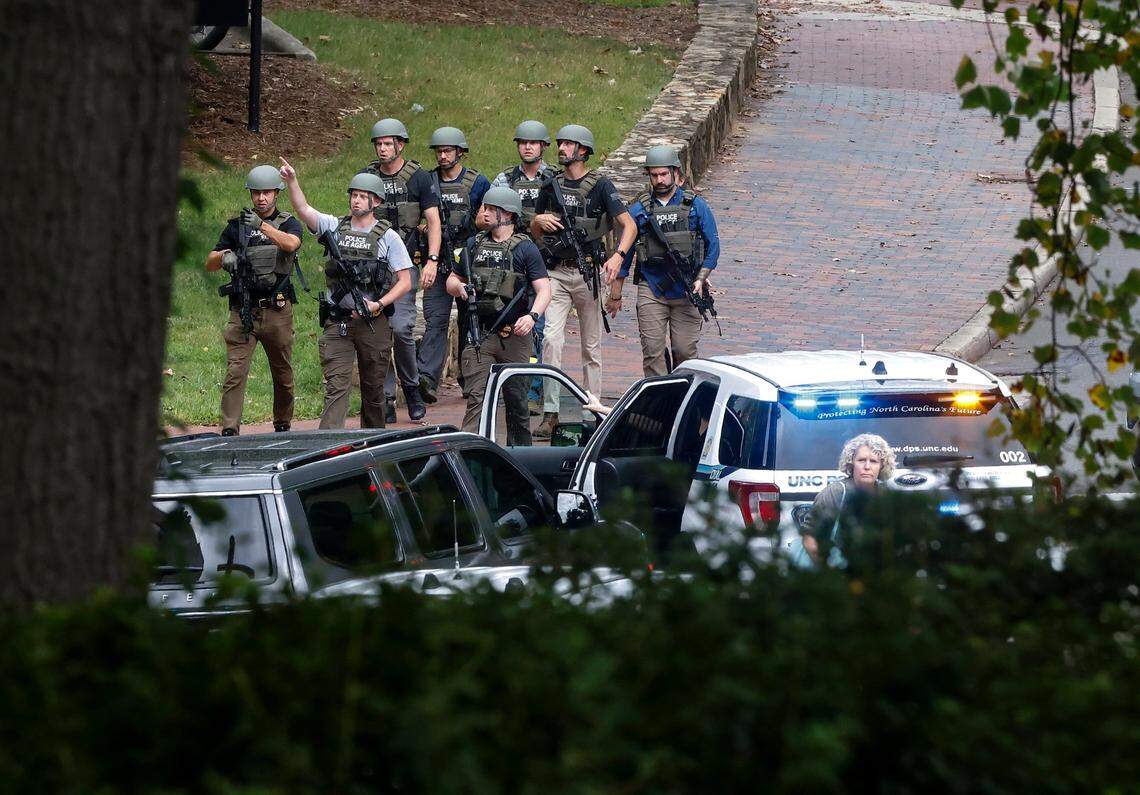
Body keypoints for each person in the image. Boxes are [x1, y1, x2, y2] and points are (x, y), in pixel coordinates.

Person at [279, 159, 414, 429]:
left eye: (363, 197)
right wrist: (292, 181)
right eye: (354, 195)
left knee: (373, 392)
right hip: (338, 322)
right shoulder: (334, 226)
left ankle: (374, 445)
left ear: (375, 202)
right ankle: (328, 446)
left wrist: (380, 303)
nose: (356, 201)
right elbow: (304, 210)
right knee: (336, 387)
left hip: (373, 323)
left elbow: (406, 280)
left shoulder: (388, 237)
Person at [530, 123, 637, 438]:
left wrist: (618, 255)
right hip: (556, 273)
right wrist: (536, 221)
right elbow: (534, 233)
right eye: (560, 143)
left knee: (591, 346)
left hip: (589, 272)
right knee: (551, 339)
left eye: (567, 144)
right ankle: (551, 412)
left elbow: (628, 226)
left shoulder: (602, 186)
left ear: (583, 151)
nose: (561, 148)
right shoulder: (550, 186)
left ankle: (593, 410)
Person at [205, 165, 304, 436]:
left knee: (282, 373)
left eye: (267, 192)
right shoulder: (236, 227)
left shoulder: (287, 222)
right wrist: (225, 255)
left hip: (277, 310)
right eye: (256, 193)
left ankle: (283, 423)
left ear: (277, 194)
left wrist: (261, 226)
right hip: (242, 310)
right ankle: (229, 429)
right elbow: (210, 263)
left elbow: (291, 244)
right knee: (235, 373)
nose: (261, 198)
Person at [447, 187, 551, 443]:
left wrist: (532, 317)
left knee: (517, 402)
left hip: (514, 334)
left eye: (491, 209)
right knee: (477, 399)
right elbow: (451, 279)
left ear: (507, 214)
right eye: (485, 208)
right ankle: (469, 452)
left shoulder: (525, 249)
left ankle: (520, 457)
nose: (484, 213)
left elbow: (544, 289)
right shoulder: (474, 244)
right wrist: (458, 287)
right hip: (479, 334)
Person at [608, 145, 721, 376]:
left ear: (675, 173)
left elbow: (714, 246)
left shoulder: (696, 206)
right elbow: (626, 255)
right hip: (651, 286)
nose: (659, 180)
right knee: (652, 351)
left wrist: (701, 278)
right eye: (654, 175)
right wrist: (615, 294)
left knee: (684, 350)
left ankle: (685, 398)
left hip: (687, 288)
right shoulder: (639, 210)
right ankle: (658, 402)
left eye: (664, 174)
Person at [360, 118, 441, 422]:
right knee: (377, 333)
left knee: (401, 329)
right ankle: (386, 396)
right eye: (378, 144)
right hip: (372, 268)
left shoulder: (417, 177)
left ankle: (411, 389)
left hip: (404, 267)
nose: (382, 149)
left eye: (387, 144)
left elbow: (433, 220)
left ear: (400, 145)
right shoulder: (367, 177)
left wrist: (432, 259)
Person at [418, 126, 491, 405]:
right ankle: (427, 377)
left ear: (460, 152)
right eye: (439, 151)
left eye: (448, 151)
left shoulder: (477, 182)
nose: (443, 155)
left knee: (468, 319)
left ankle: (469, 377)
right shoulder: (426, 181)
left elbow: (489, 217)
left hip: (467, 263)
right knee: (435, 320)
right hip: (437, 260)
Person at [491, 120, 559, 413]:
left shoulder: (555, 178)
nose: (527, 147)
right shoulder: (504, 180)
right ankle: (518, 387)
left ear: (544, 146)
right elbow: (484, 216)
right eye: (523, 142)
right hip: (511, 263)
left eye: (533, 142)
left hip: (546, 260)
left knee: (540, 327)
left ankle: (534, 389)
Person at [800, 433, 896, 565]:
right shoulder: (835, 492)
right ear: (851, 463)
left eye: (873, 461)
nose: (867, 466)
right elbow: (810, 537)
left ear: (881, 466)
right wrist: (827, 571)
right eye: (861, 460)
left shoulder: (887, 495)